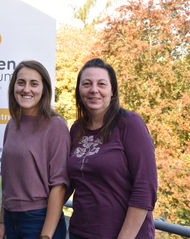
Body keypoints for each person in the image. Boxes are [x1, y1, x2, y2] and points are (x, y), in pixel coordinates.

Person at [67, 58, 157, 239]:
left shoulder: (130, 124)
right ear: (79, 90)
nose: (94, 90)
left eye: (101, 84)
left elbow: (145, 188)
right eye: (87, 84)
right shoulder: (76, 129)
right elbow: (68, 182)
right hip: (80, 233)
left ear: (112, 90)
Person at [0, 60, 70, 239]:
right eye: (21, 82)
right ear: (13, 87)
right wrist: (3, 222)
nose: (26, 89)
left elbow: (59, 185)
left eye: (34, 84)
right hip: (12, 220)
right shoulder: (12, 124)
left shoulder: (56, 125)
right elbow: (8, 180)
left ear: (44, 89)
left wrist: (46, 235)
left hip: (39, 219)